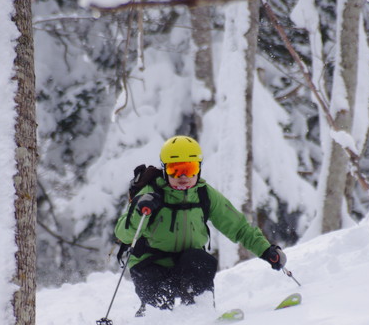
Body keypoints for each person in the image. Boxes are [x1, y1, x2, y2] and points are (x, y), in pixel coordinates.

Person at [115, 135, 287, 315]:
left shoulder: (204, 194)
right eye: (175, 170)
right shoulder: (150, 194)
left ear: (198, 170)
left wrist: (266, 250)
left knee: (201, 261)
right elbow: (123, 234)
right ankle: (151, 323)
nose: (183, 177)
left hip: (186, 265)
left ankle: (199, 313)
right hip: (149, 264)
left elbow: (239, 226)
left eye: (190, 169)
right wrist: (139, 209)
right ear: (165, 170)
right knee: (160, 307)